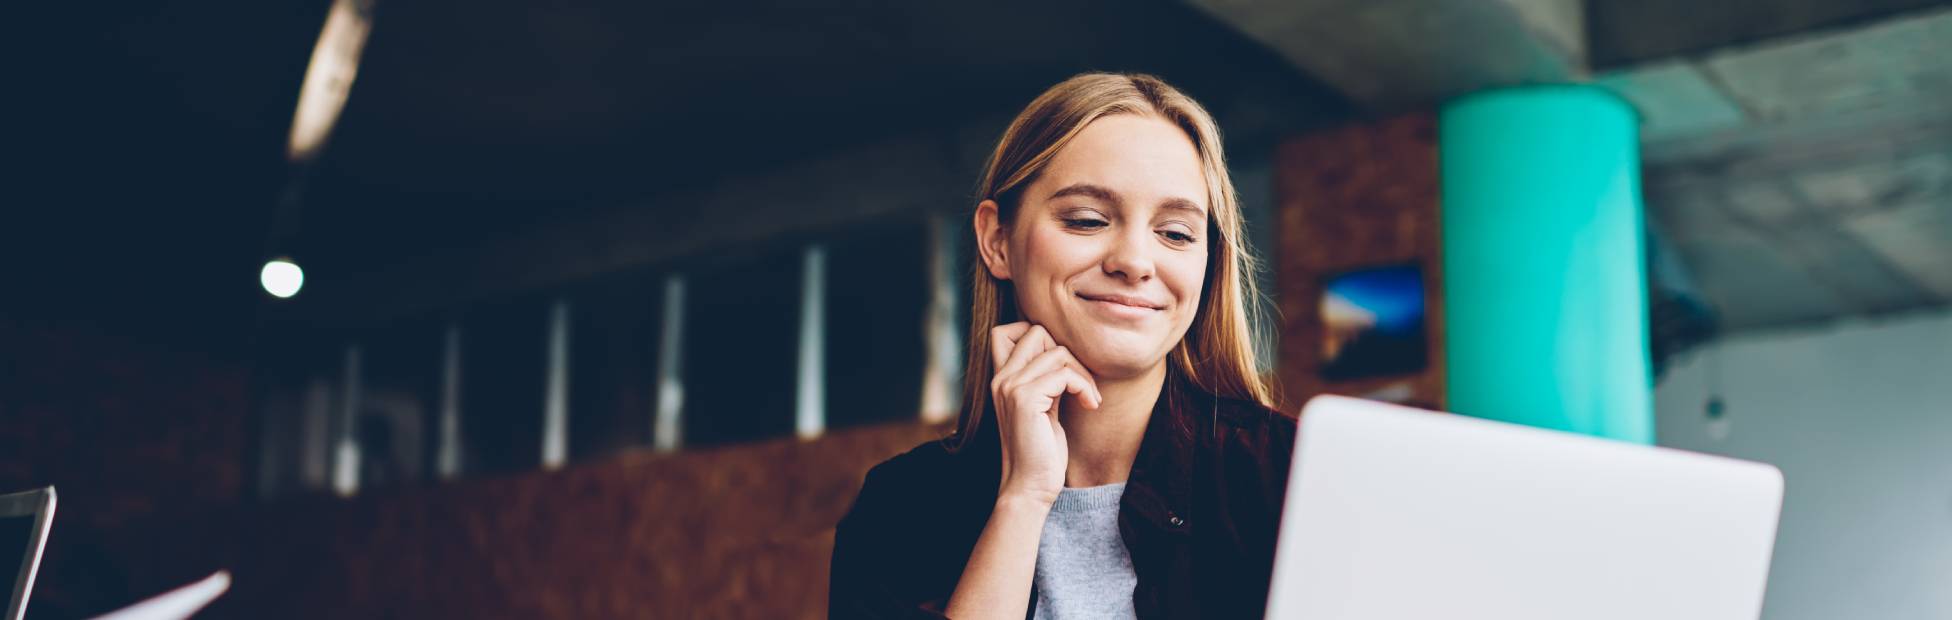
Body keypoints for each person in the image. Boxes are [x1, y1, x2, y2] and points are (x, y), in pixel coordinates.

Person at [829, 72, 1295, 619]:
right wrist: (1022, 498)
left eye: (1176, 233)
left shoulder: (1289, 478)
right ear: (997, 241)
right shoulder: (901, 507)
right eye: (1087, 220)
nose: (1136, 262)